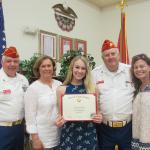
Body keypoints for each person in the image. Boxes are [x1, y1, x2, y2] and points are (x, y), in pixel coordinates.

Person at [92, 39, 134, 150]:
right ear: (102, 58)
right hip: (104, 128)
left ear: (119, 55)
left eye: (113, 53)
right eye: (106, 55)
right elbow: (91, 98)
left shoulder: (130, 71)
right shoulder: (95, 74)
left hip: (128, 128)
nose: (110, 57)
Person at [55, 56, 102, 150]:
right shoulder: (61, 90)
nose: (80, 71)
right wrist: (58, 122)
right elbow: (60, 115)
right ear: (72, 68)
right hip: (69, 134)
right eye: (77, 67)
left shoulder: (93, 89)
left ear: (86, 71)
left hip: (88, 135)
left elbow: (98, 113)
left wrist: (99, 117)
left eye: (83, 68)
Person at [25, 55, 62, 150]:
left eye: (49, 66)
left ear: (53, 68)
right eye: (43, 66)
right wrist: (35, 139)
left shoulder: (59, 85)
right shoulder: (33, 88)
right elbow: (30, 117)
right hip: (42, 138)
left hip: (59, 135)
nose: (47, 68)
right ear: (38, 69)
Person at [0, 46, 29, 150]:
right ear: (2, 62)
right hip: (2, 129)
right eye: (9, 61)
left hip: (20, 128)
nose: (12, 64)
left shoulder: (23, 80)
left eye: (15, 61)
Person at [130, 54, 150, 150]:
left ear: (149, 67)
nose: (138, 69)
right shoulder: (137, 88)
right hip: (137, 138)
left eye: (142, 66)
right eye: (136, 67)